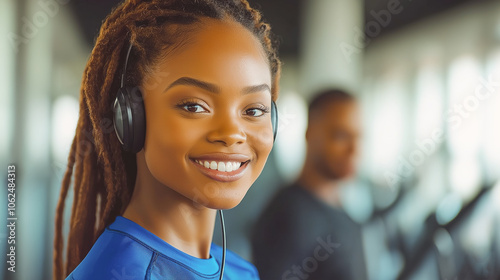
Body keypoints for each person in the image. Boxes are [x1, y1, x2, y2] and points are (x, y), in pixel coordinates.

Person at [53, 0, 281, 279]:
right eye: (194, 106)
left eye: (253, 110)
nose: (232, 134)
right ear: (131, 118)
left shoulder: (241, 271)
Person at [252, 89, 367, 280]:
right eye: (341, 136)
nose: (354, 150)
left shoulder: (339, 209)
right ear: (310, 134)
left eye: (359, 137)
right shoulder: (289, 216)